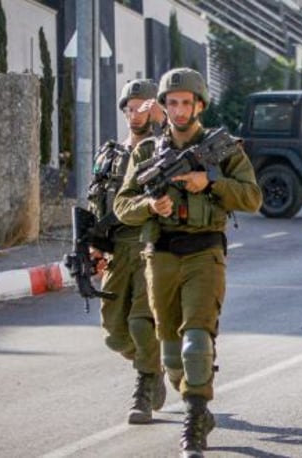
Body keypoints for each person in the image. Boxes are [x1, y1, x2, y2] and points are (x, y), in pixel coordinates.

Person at [113, 67, 262, 458]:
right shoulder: (147, 153)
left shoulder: (223, 148)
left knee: (197, 343)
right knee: (171, 354)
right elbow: (122, 205)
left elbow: (252, 197)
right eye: (172, 103)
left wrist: (209, 183)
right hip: (160, 255)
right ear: (163, 107)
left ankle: (195, 422)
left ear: (199, 105)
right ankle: (188, 396)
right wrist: (150, 204)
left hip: (204, 252)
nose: (179, 110)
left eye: (186, 102)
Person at [88, 78, 166, 425]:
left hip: (151, 243)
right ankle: (154, 366)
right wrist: (93, 246)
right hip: (118, 247)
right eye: (130, 108)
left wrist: (163, 123)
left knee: (141, 321)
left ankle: (144, 389)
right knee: (114, 333)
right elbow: (95, 201)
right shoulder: (111, 153)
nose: (135, 114)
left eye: (143, 107)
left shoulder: (164, 148)